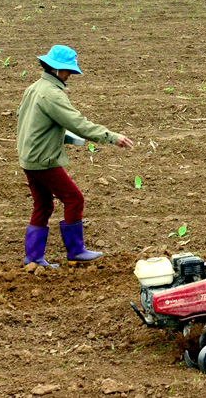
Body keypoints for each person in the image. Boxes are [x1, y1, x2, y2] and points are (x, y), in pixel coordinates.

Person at [17, 44, 133, 268]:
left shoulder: (34, 88)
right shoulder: (52, 95)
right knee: (74, 199)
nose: (69, 75)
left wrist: (59, 136)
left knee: (43, 205)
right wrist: (112, 137)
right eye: (68, 71)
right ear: (57, 69)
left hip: (28, 157)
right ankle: (76, 251)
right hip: (43, 160)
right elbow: (79, 124)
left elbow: (32, 122)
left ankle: (33, 258)